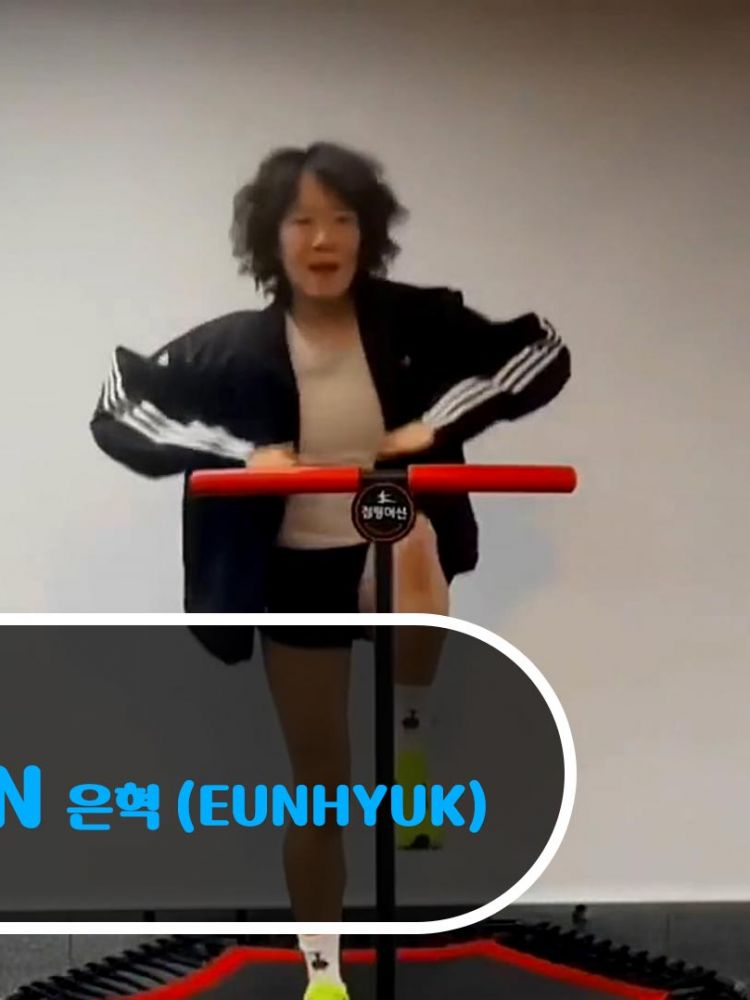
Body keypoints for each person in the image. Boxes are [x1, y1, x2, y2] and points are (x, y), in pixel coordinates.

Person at [90, 141, 571, 1000]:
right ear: (271, 240)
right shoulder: (234, 348)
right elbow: (119, 405)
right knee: (320, 786)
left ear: (366, 232)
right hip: (296, 572)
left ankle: (411, 735)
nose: (323, 239)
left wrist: (437, 424)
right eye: (303, 221)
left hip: (390, 542)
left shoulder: (414, 322)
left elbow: (539, 349)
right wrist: (241, 456)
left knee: (411, 536)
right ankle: (324, 971)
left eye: (342, 219)